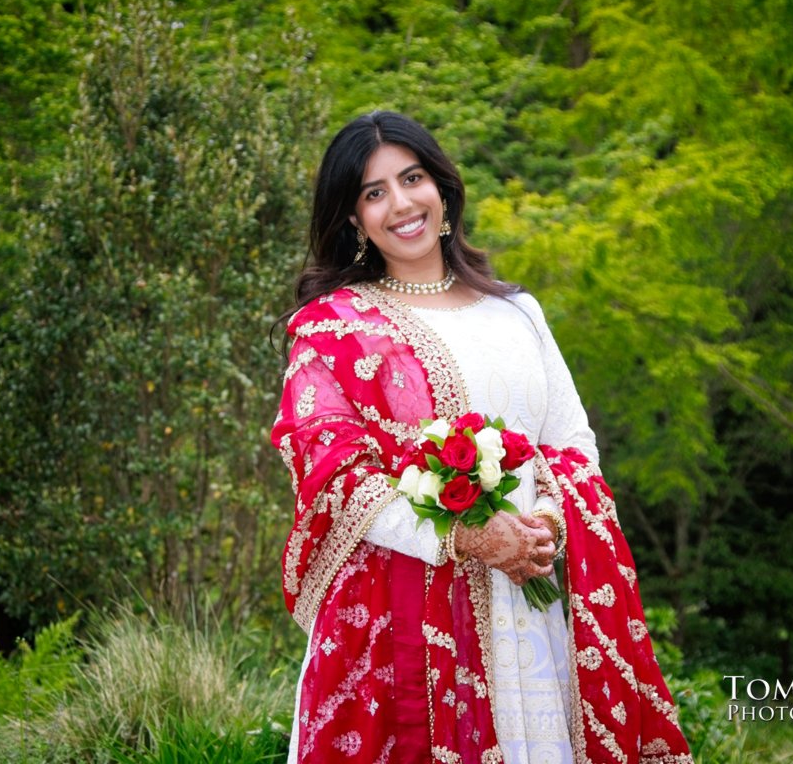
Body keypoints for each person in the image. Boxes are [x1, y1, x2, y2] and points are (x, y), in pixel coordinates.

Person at [272, 111, 692, 764]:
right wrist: (467, 536)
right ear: (353, 218)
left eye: (412, 178)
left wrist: (543, 525)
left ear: (442, 187)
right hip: (410, 616)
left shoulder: (517, 311)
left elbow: (573, 439)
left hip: (537, 595)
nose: (401, 203)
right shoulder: (334, 329)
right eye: (373, 192)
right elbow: (337, 476)